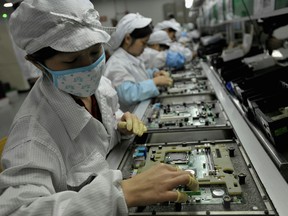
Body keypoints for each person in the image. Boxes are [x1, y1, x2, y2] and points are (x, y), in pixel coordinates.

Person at [0, 1, 198, 216]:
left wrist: (119, 124)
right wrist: (119, 195)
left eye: (95, 53)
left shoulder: (100, 86)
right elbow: (18, 210)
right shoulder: (32, 135)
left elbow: (103, 123)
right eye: (72, 60)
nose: (89, 68)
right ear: (38, 64)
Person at [104, 13, 173, 113]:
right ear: (128, 39)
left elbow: (137, 77)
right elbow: (128, 94)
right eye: (143, 43)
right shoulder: (116, 64)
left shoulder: (131, 57)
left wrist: (153, 74)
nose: (145, 47)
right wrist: (155, 82)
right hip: (130, 117)